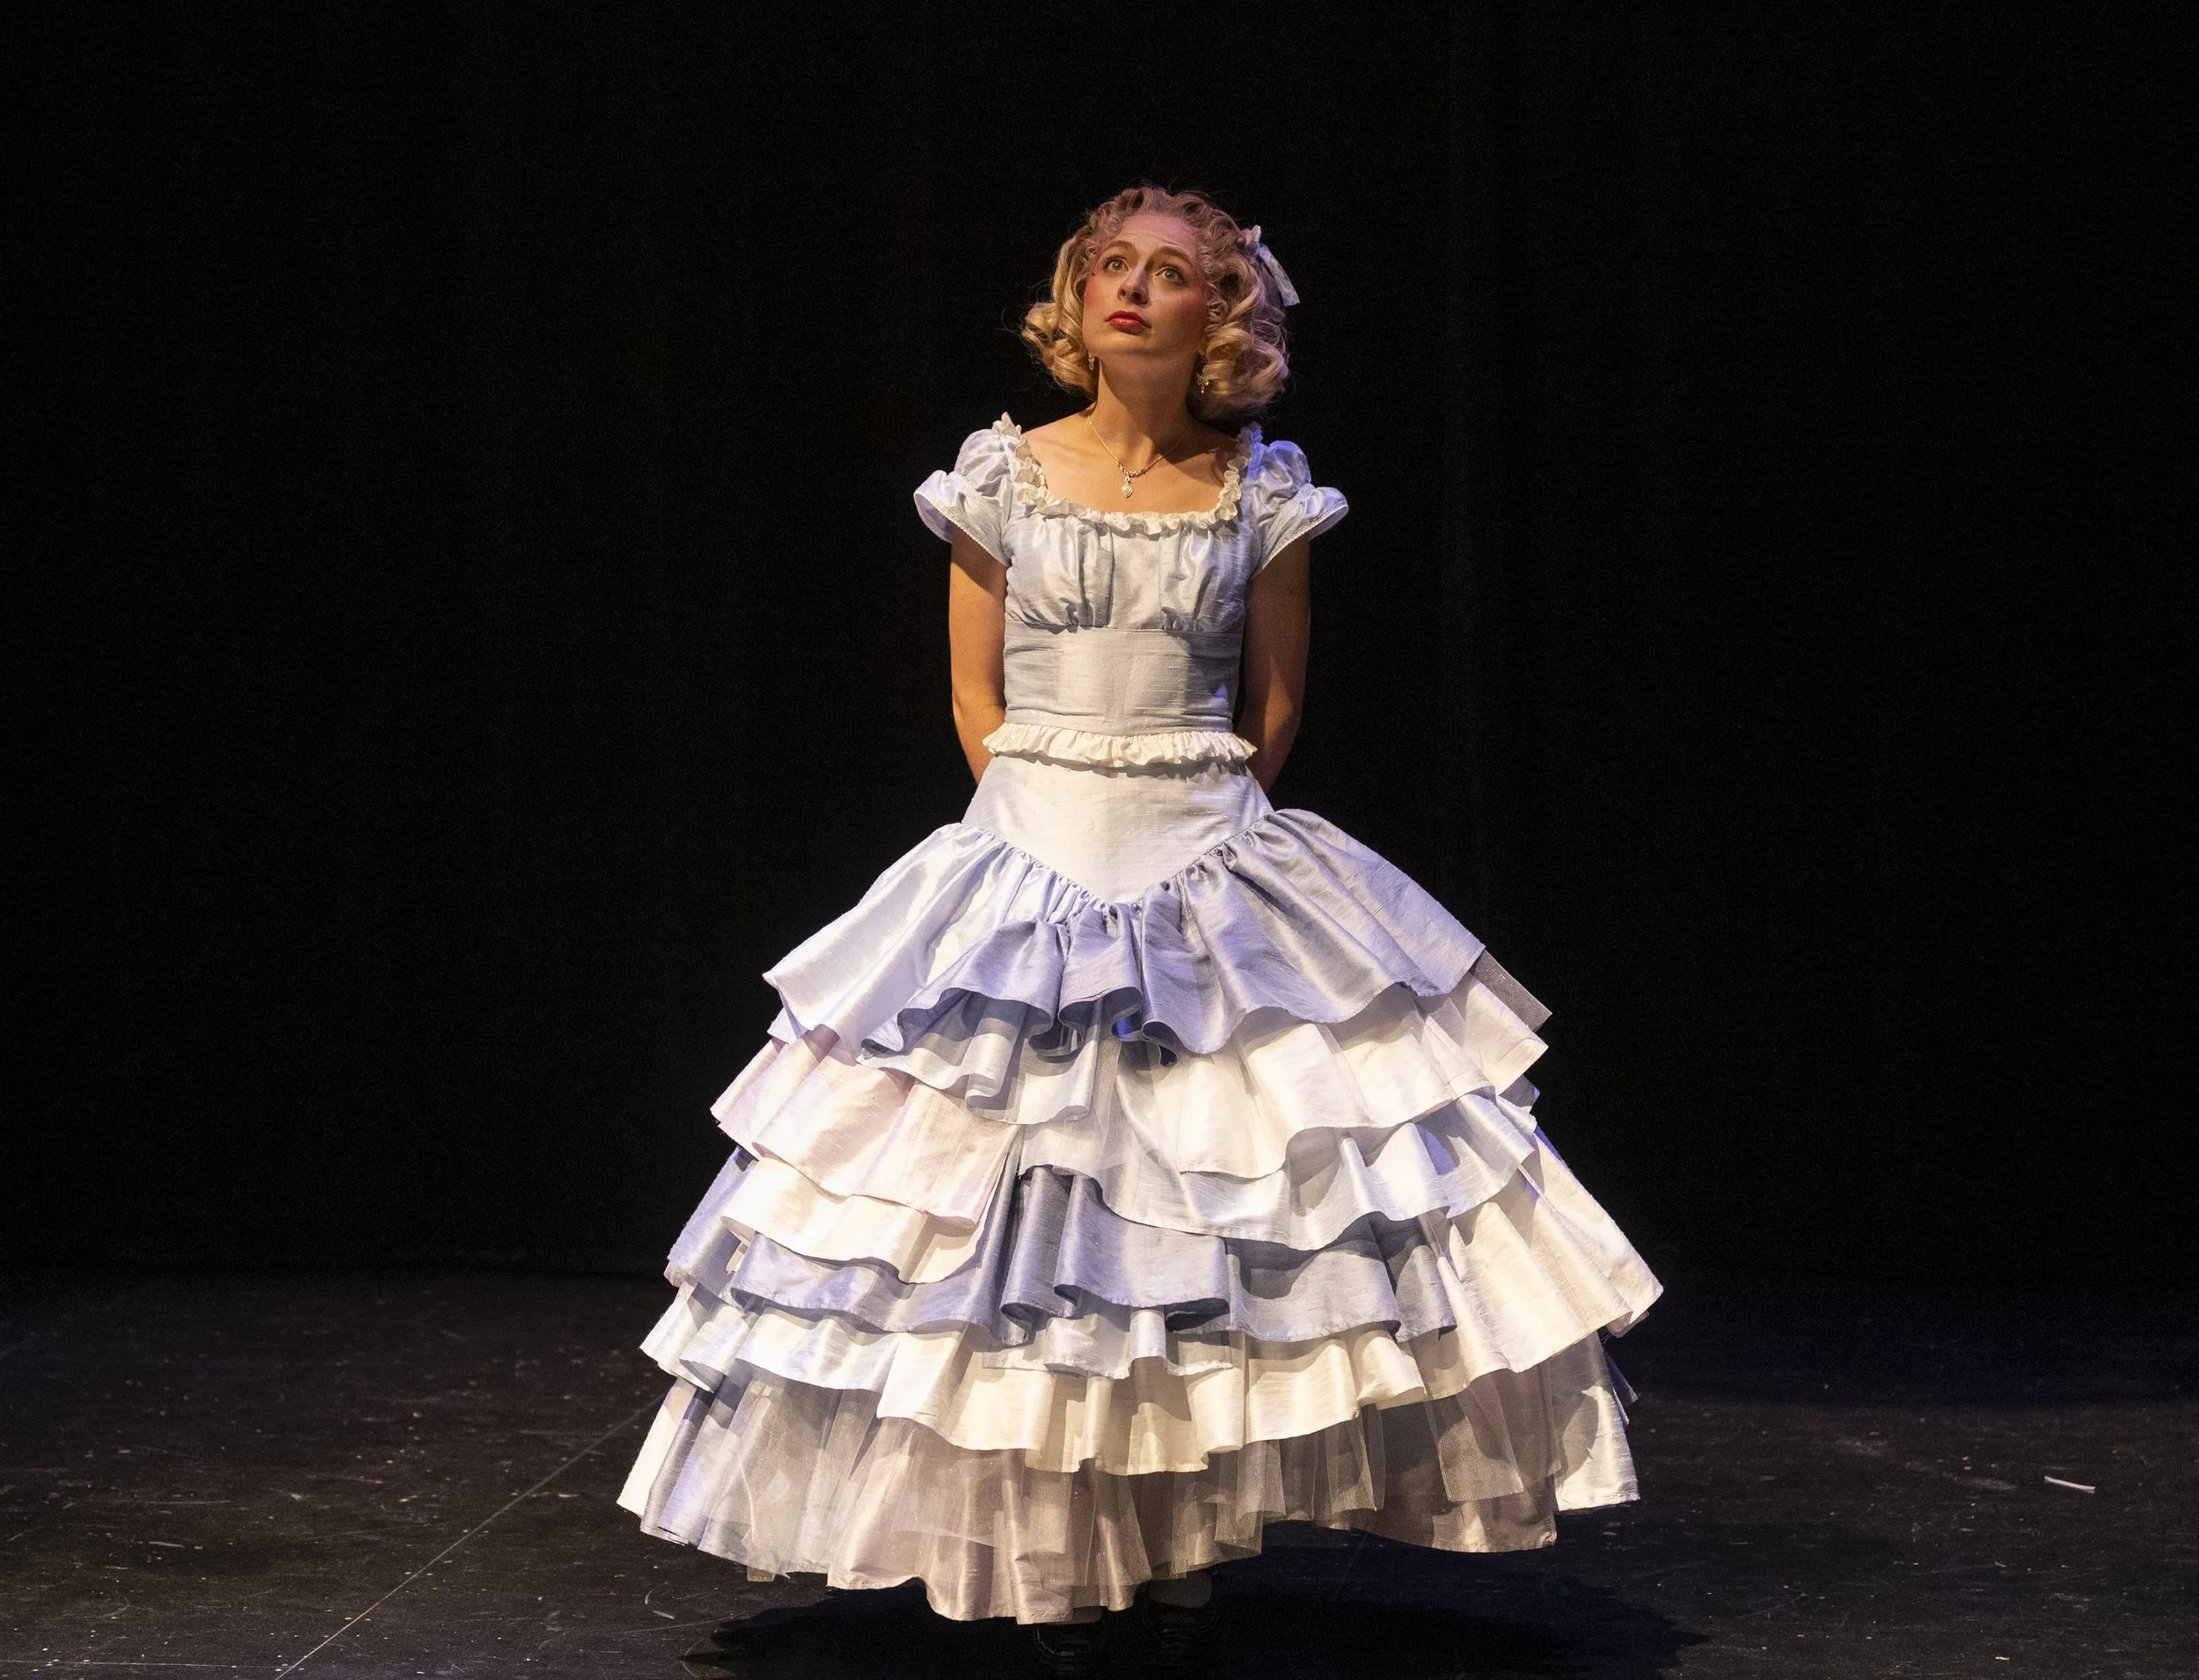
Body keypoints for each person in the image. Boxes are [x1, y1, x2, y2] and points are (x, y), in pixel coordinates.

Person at [619, 185, 1661, 1677]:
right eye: (1111, 267)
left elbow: (1274, 704)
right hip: (1029, 853)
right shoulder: (1002, 479)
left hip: (1204, 849)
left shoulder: (1262, 492)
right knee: (1026, 1224)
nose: (1133, 291)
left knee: (1195, 1227)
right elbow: (978, 700)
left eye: (1171, 276)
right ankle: (1061, 1547)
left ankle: (1176, 1554)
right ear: (1078, 299)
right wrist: (1039, 839)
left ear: (1218, 317)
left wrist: (1197, 832)